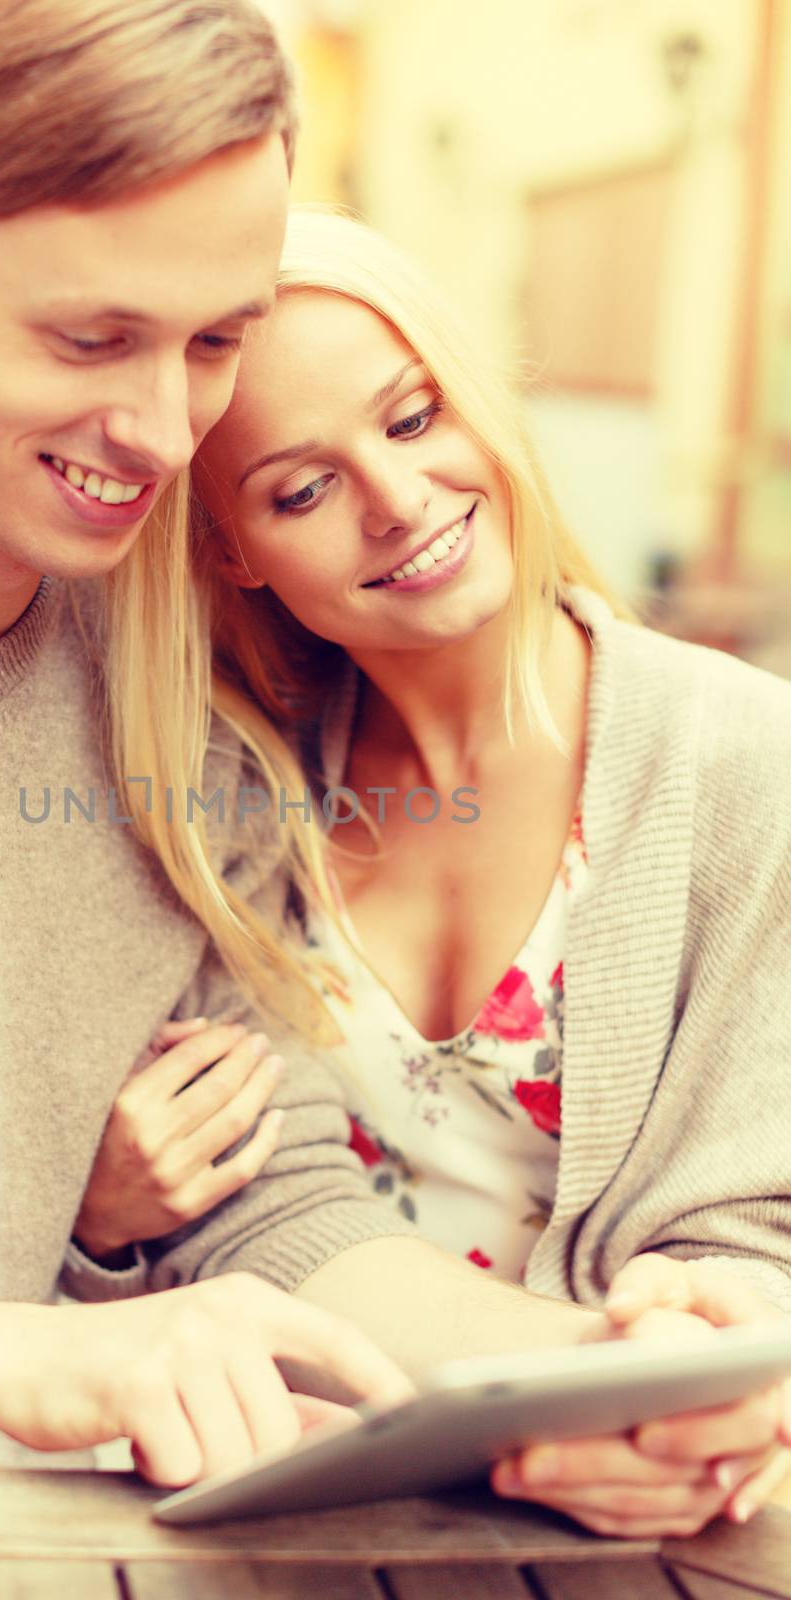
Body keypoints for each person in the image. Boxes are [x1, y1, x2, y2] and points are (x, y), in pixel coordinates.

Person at [0, 0, 635, 1488]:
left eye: (217, 341)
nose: (159, 425)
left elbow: (274, 1213)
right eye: (92, 338)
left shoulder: (184, 701)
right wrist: (1, 1355)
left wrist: (603, 1389)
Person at [74, 206, 791, 1535]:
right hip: (319, 1518)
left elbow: (758, 1230)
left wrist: (668, 1382)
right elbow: (248, 1207)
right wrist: (582, 1379)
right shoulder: (234, 799)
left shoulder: (748, 765)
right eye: (301, 489)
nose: (398, 502)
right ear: (234, 551)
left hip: (666, 1503)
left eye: (411, 419)